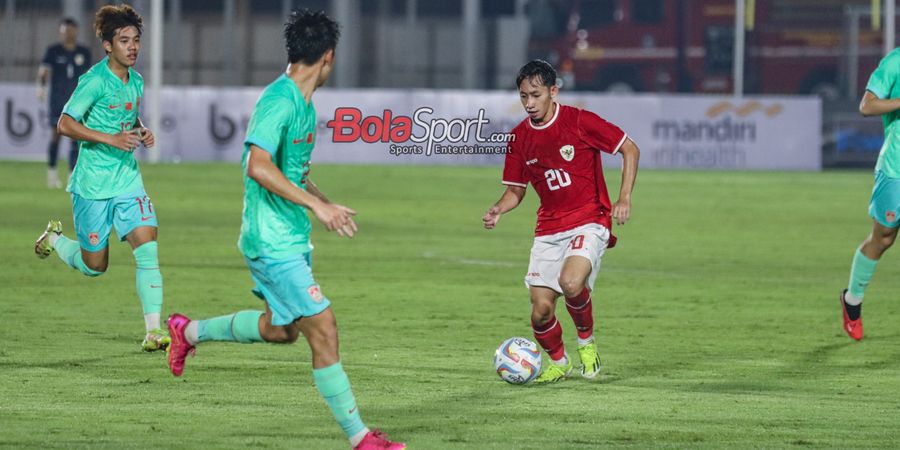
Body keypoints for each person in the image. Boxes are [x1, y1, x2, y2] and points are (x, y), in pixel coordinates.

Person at [165, 9, 404, 450]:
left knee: (282, 330)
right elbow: (258, 165)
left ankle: (187, 331)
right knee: (324, 327)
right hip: (270, 240)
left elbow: (291, 170)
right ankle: (361, 439)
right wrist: (316, 206)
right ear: (328, 56)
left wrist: (323, 200)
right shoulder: (280, 100)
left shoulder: (305, 106)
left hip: (288, 236)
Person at [482, 60, 640, 383]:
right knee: (540, 312)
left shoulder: (579, 121)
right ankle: (559, 361)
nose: (529, 103)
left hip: (590, 218)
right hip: (549, 228)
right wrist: (499, 208)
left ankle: (586, 345)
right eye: (523, 96)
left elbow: (630, 149)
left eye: (535, 95)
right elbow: (515, 190)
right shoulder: (519, 139)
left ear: (553, 92)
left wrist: (624, 197)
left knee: (571, 282)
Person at [33, 4, 167, 352]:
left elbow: (127, 119)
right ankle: (55, 240)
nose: (133, 47)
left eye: (136, 40)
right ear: (108, 45)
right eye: (124, 41)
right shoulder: (93, 81)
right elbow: (64, 124)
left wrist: (142, 130)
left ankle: (154, 331)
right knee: (95, 266)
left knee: (148, 246)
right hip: (92, 185)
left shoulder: (135, 81)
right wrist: (111, 139)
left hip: (126, 180)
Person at [840, 47, 900, 341]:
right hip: (895, 167)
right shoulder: (895, 62)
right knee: (884, 236)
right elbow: (867, 105)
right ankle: (852, 300)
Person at [37, 17, 92, 188]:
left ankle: (71, 175)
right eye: (64, 31)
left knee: (75, 138)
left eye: (70, 30)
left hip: (78, 102)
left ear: (76, 31)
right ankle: (52, 173)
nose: (67, 34)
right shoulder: (53, 51)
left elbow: (90, 77)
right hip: (58, 100)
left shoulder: (84, 51)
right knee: (56, 135)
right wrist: (41, 88)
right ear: (61, 32)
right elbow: (44, 72)